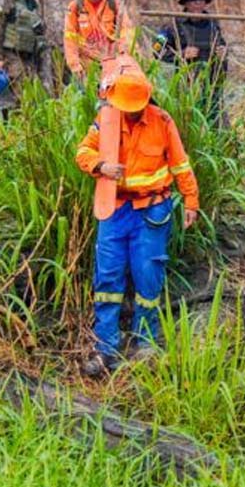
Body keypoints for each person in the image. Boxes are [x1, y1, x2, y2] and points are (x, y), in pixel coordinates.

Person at [75, 72, 199, 376]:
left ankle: (145, 342)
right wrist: (101, 166)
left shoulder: (162, 121)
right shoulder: (106, 120)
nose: (129, 113)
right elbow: (82, 151)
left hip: (152, 210)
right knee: (107, 278)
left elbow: (180, 164)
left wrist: (191, 200)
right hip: (114, 210)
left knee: (148, 277)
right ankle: (106, 348)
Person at [152, 0, 227, 128]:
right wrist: (180, 54)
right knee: (188, 122)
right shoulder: (173, 24)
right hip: (186, 86)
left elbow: (222, 45)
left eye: (201, 1)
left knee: (214, 123)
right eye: (194, 1)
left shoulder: (213, 24)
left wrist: (223, 52)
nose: (198, 5)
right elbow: (156, 49)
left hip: (212, 85)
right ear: (186, 4)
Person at [0, 0, 53, 111]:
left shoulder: (34, 8)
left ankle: (21, 123)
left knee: (30, 93)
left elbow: (38, 36)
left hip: (29, 57)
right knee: (23, 93)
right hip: (11, 55)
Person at [64, 0, 135, 81]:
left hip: (112, 61)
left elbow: (126, 31)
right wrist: (74, 65)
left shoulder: (115, 4)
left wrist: (125, 56)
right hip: (87, 64)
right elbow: (69, 38)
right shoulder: (75, 7)